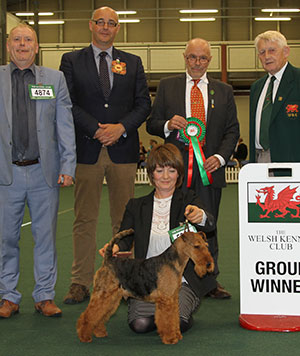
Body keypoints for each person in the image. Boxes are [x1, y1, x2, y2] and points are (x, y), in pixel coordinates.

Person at [60, 6, 151, 304]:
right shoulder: (71, 61)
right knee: (84, 219)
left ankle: (125, 280)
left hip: (123, 152)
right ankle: (80, 282)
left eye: (112, 23)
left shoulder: (133, 62)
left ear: (117, 28)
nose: (106, 27)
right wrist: (97, 128)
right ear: (91, 25)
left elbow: (143, 105)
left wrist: (121, 127)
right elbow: (68, 102)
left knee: (123, 222)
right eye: (101, 22)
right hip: (87, 148)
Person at [146, 38, 240, 299]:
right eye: (192, 57)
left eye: (203, 58)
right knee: (174, 225)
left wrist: (220, 158)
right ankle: (171, 277)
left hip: (209, 171)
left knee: (208, 225)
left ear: (210, 61)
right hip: (173, 173)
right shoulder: (167, 86)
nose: (197, 63)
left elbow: (232, 130)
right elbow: (151, 124)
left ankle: (209, 282)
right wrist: (168, 124)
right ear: (184, 57)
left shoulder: (224, 91)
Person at [0, 24, 76, 318]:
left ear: (37, 46)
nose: (22, 44)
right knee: (6, 238)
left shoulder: (54, 79)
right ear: (8, 46)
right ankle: (8, 296)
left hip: (45, 173)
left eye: (28, 39)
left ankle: (44, 295)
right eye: (16, 40)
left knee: (45, 237)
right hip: (7, 175)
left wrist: (68, 164)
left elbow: (64, 124)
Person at [100, 143, 216, 333]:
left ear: (178, 173)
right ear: (151, 173)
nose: (165, 176)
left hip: (182, 281)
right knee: (140, 325)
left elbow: (210, 225)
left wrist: (200, 216)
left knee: (178, 323)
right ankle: (154, 310)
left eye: (171, 170)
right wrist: (114, 248)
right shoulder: (136, 206)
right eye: (160, 170)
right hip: (146, 279)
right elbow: (125, 237)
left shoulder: (188, 199)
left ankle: (181, 312)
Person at [249, 30, 300, 165]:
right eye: (262, 52)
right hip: (259, 160)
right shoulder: (256, 87)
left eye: (272, 50)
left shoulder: (298, 79)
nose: (266, 56)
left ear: (286, 52)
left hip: (292, 162)